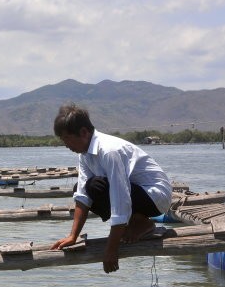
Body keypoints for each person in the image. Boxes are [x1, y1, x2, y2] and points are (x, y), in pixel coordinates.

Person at [50, 103, 172, 273]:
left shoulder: (108, 151)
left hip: (156, 196)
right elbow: (83, 196)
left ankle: (142, 223)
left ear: (84, 133)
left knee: (100, 186)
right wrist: (73, 236)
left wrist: (111, 249)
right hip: (133, 193)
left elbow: (120, 198)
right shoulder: (84, 154)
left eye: (67, 138)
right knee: (86, 186)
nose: (65, 144)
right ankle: (135, 221)